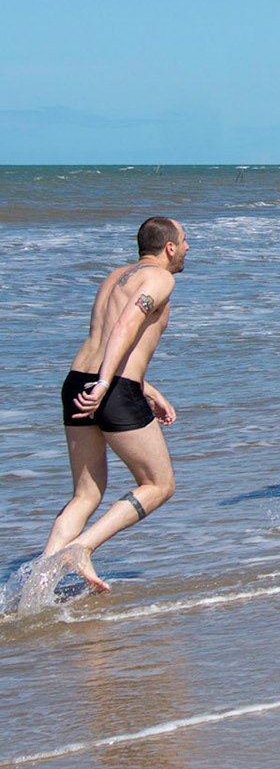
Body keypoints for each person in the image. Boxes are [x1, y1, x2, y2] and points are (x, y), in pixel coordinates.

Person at [41, 217, 189, 591]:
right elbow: (125, 326)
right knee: (159, 484)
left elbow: (105, 338)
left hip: (77, 382)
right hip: (111, 388)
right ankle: (82, 548)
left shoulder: (114, 278)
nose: (188, 248)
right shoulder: (160, 279)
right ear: (169, 248)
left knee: (86, 493)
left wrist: (146, 388)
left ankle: (38, 585)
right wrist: (110, 383)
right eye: (185, 242)